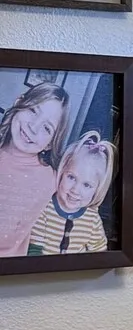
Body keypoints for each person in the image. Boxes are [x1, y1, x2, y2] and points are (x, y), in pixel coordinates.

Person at [0, 79, 70, 257]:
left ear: (50, 144)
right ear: (18, 103)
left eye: (47, 128)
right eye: (32, 111)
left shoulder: (51, 179)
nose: (33, 127)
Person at [27, 133, 113, 256]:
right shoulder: (45, 208)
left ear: (97, 190)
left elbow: (99, 254)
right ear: (62, 172)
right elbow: (34, 250)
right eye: (71, 177)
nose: (75, 190)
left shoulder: (92, 219)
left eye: (86, 185)